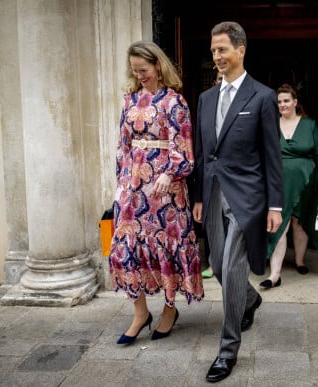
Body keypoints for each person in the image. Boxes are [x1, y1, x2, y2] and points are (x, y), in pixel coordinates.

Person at [192, 21, 284, 383]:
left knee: (231, 266)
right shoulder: (205, 99)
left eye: (223, 50)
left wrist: (275, 205)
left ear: (241, 50)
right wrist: (198, 196)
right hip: (213, 192)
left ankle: (227, 350)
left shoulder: (262, 97)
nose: (217, 57)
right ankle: (249, 299)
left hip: (248, 196)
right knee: (215, 261)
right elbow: (202, 154)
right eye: (213, 51)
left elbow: (272, 156)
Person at [108, 40, 204, 346]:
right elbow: (123, 146)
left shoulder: (175, 102)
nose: (140, 76)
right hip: (133, 188)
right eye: (135, 71)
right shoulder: (128, 101)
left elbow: (185, 150)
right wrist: (122, 183)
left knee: (168, 250)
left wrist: (169, 173)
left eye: (144, 69)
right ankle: (140, 313)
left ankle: (169, 309)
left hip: (166, 193)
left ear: (158, 66)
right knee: (124, 251)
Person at [260, 83, 318, 289]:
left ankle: (300, 260)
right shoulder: (271, 124)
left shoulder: (310, 125)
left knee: (299, 222)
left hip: (306, 181)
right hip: (278, 182)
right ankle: (275, 274)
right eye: (279, 102)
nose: (282, 104)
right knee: (280, 223)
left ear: (295, 102)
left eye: (286, 101)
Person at [201, 70, 224, 280]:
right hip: (211, 182)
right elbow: (200, 150)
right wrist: (199, 196)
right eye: (219, 78)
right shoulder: (205, 101)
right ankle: (211, 262)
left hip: (237, 183)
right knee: (212, 226)